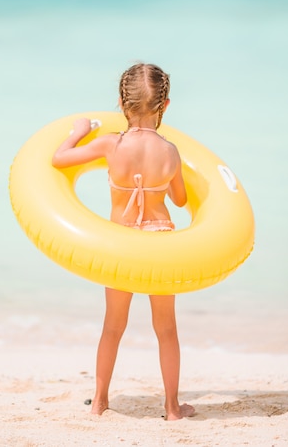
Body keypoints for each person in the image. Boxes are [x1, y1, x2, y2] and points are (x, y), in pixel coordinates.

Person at [52, 62, 195, 421]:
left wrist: (79, 131)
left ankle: (100, 402)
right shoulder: (171, 152)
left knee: (113, 326)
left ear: (120, 102)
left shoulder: (110, 144)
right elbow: (179, 200)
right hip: (160, 243)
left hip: (122, 246)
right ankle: (172, 407)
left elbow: (59, 159)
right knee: (166, 330)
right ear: (165, 106)